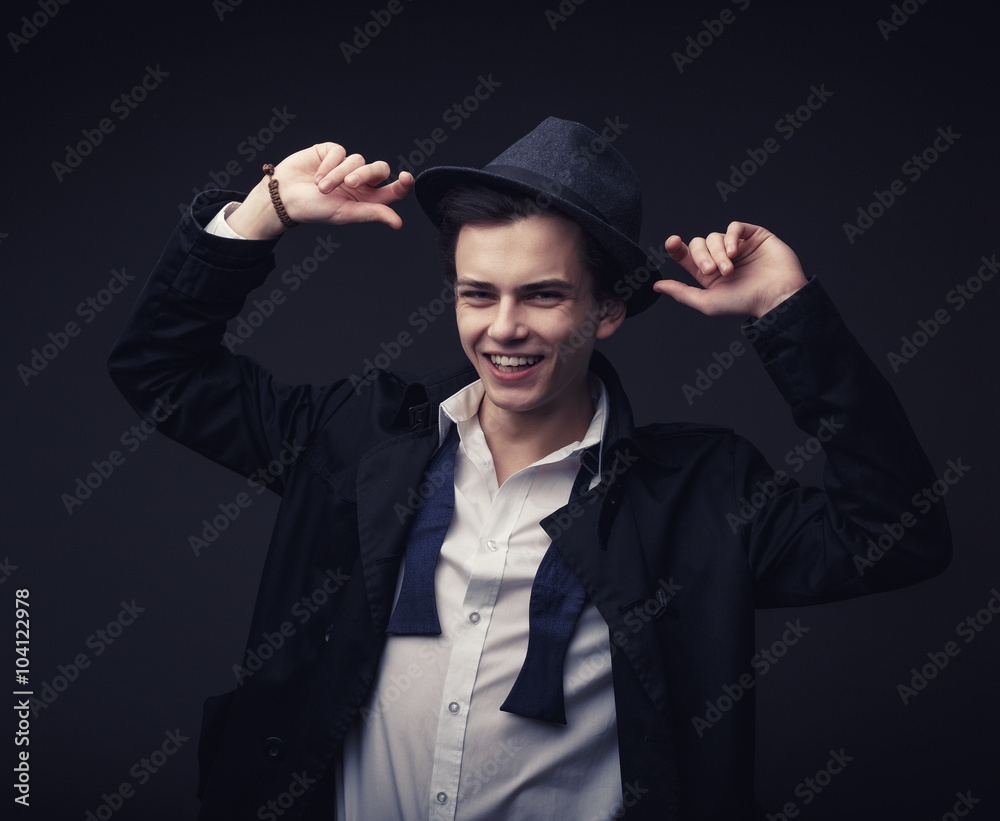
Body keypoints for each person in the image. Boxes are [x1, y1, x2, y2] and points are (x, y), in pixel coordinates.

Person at [108, 117, 951, 820]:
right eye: (479, 294)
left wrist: (787, 313)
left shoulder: (698, 497)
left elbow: (897, 535)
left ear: (609, 308)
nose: (502, 328)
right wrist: (266, 212)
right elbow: (160, 370)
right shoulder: (356, 439)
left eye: (542, 294)